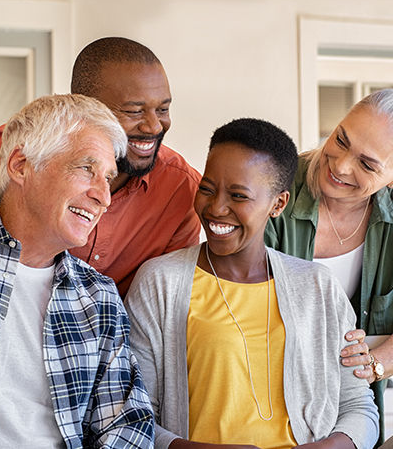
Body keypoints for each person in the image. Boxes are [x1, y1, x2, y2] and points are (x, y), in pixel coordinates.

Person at [125, 117, 379, 449]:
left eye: (239, 196)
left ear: (278, 204)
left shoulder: (318, 287)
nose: (216, 208)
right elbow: (134, 415)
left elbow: (359, 406)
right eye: (207, 188)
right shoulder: (160, 282)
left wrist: (330, 446)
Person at [0, 94, 154, 448]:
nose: (104, 196)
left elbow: (127, 425)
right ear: (21, 165)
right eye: (86, 168)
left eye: (108, 178)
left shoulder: (98, 295)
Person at [0, 37, 201, 298]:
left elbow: (167, 300)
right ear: (87, 106)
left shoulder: (181, 188)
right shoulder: (11, 155)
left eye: (162, 109)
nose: (154, 127)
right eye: (134, 111)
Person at [264, 89, 393, 446]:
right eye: (341, 139)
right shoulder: (275, 184)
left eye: (367, 164)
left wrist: (377, 362)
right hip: (267, 402)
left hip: (356, 412)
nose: (339, 165)